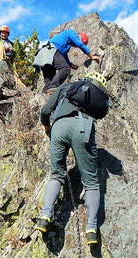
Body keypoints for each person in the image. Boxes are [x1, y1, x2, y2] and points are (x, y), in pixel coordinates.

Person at [35, 72, 109, 245]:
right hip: (83, 127)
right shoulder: (98, 98)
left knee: (56, 174)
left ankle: (45, 214)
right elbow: (100, 115)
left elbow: (46, 110)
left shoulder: (67, 87)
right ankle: (91, 227)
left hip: (59, 127)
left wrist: (47, 125)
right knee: (91, 182)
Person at [33, 29, 101, 95]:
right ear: (78, 36)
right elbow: (80, 44)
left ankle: (44, 97)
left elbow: (64, 59)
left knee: (49, 82)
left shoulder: (65, 45)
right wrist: (91, 56)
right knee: (65, 69)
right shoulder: (70, 33)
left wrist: (73, 66)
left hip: (44, 55)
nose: (75, 46)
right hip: (50, 51)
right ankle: (52, 87)